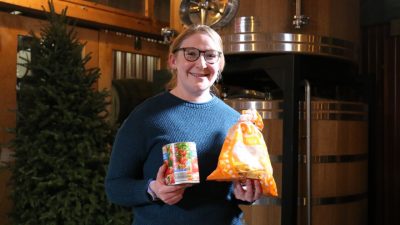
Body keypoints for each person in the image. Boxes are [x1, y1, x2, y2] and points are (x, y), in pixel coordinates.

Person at [105, 24, 262, 225]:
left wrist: (245, 194)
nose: (202, 63)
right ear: (173, 60)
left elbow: (233, 191)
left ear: (220, 64)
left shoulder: (235, 121)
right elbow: (115, 187)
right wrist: (153, 190)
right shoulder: (145, 117)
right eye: (191, 54)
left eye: (211, 55)